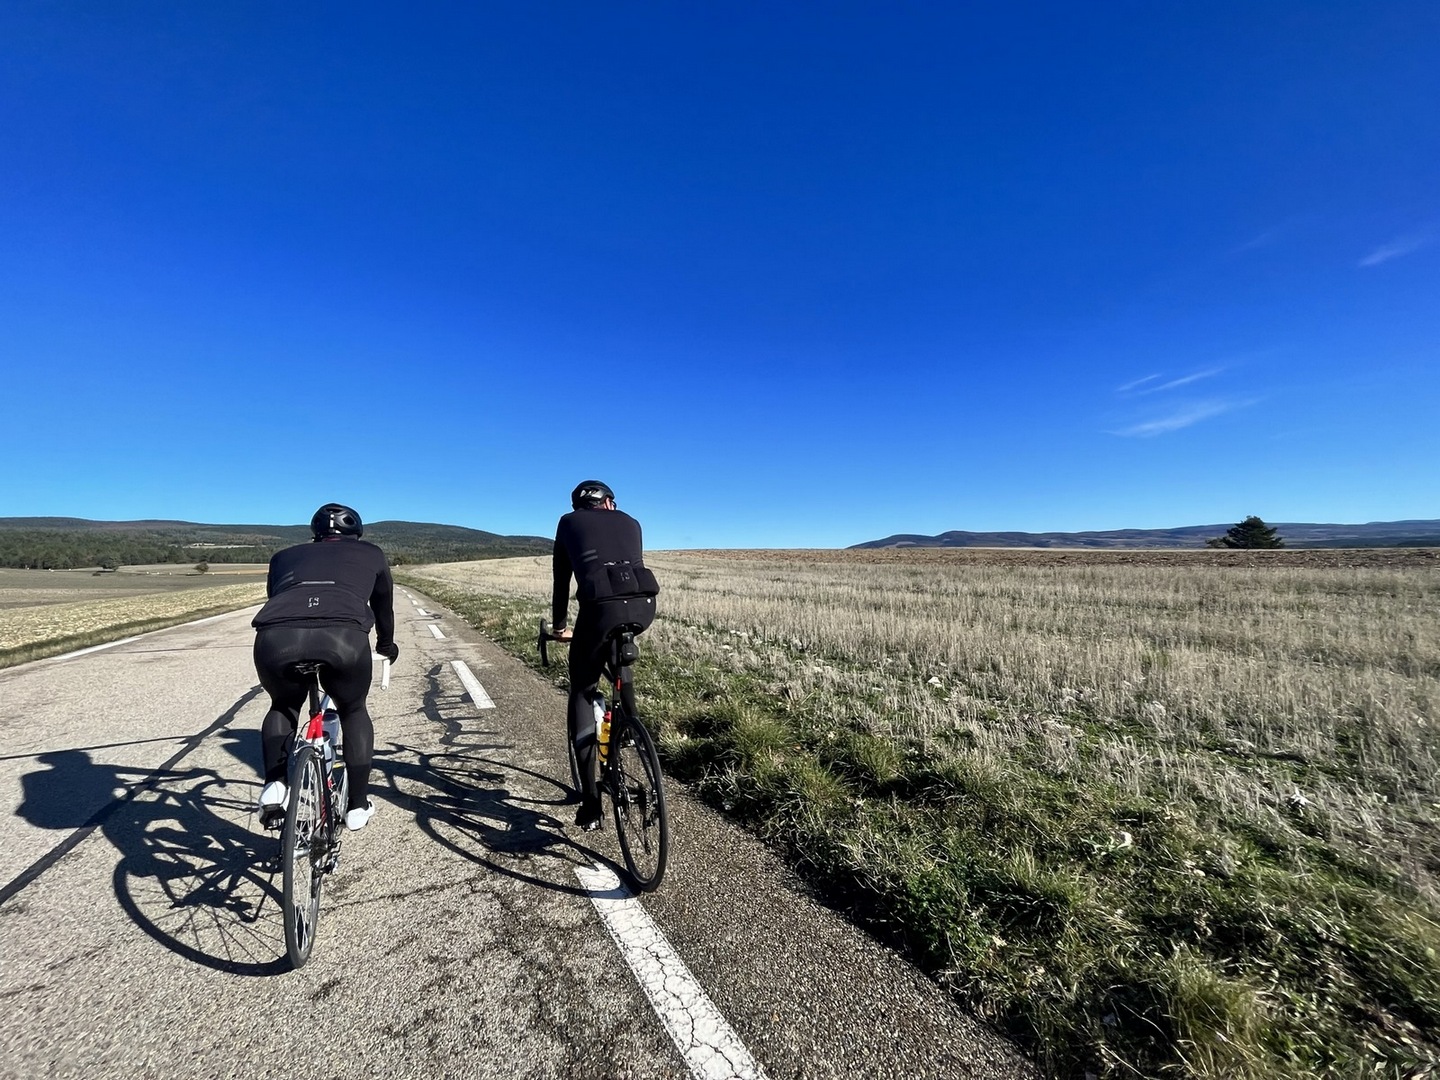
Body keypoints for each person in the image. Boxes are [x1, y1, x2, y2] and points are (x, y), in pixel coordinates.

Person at [251, 503, 398, 831]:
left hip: (276, 638)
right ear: (355, 532)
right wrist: (386, 646)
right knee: (353, 710)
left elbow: (276, 597)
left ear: (315, 533)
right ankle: (357, 807)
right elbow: (384, 608)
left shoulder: (282, 556)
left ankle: (275, 786)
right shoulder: (371, 554)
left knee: (284, 705)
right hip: (343, 637)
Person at [551, 480, 659, 830]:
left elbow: (561, 581)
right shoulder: (631, 520)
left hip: (598, 611)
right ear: (610, 503)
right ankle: (628, 721)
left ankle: (591, 802)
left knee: (582, 690)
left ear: (578, 506)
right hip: (643, 606)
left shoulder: (568, 523)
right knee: (618, 660)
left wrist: (558, 627)